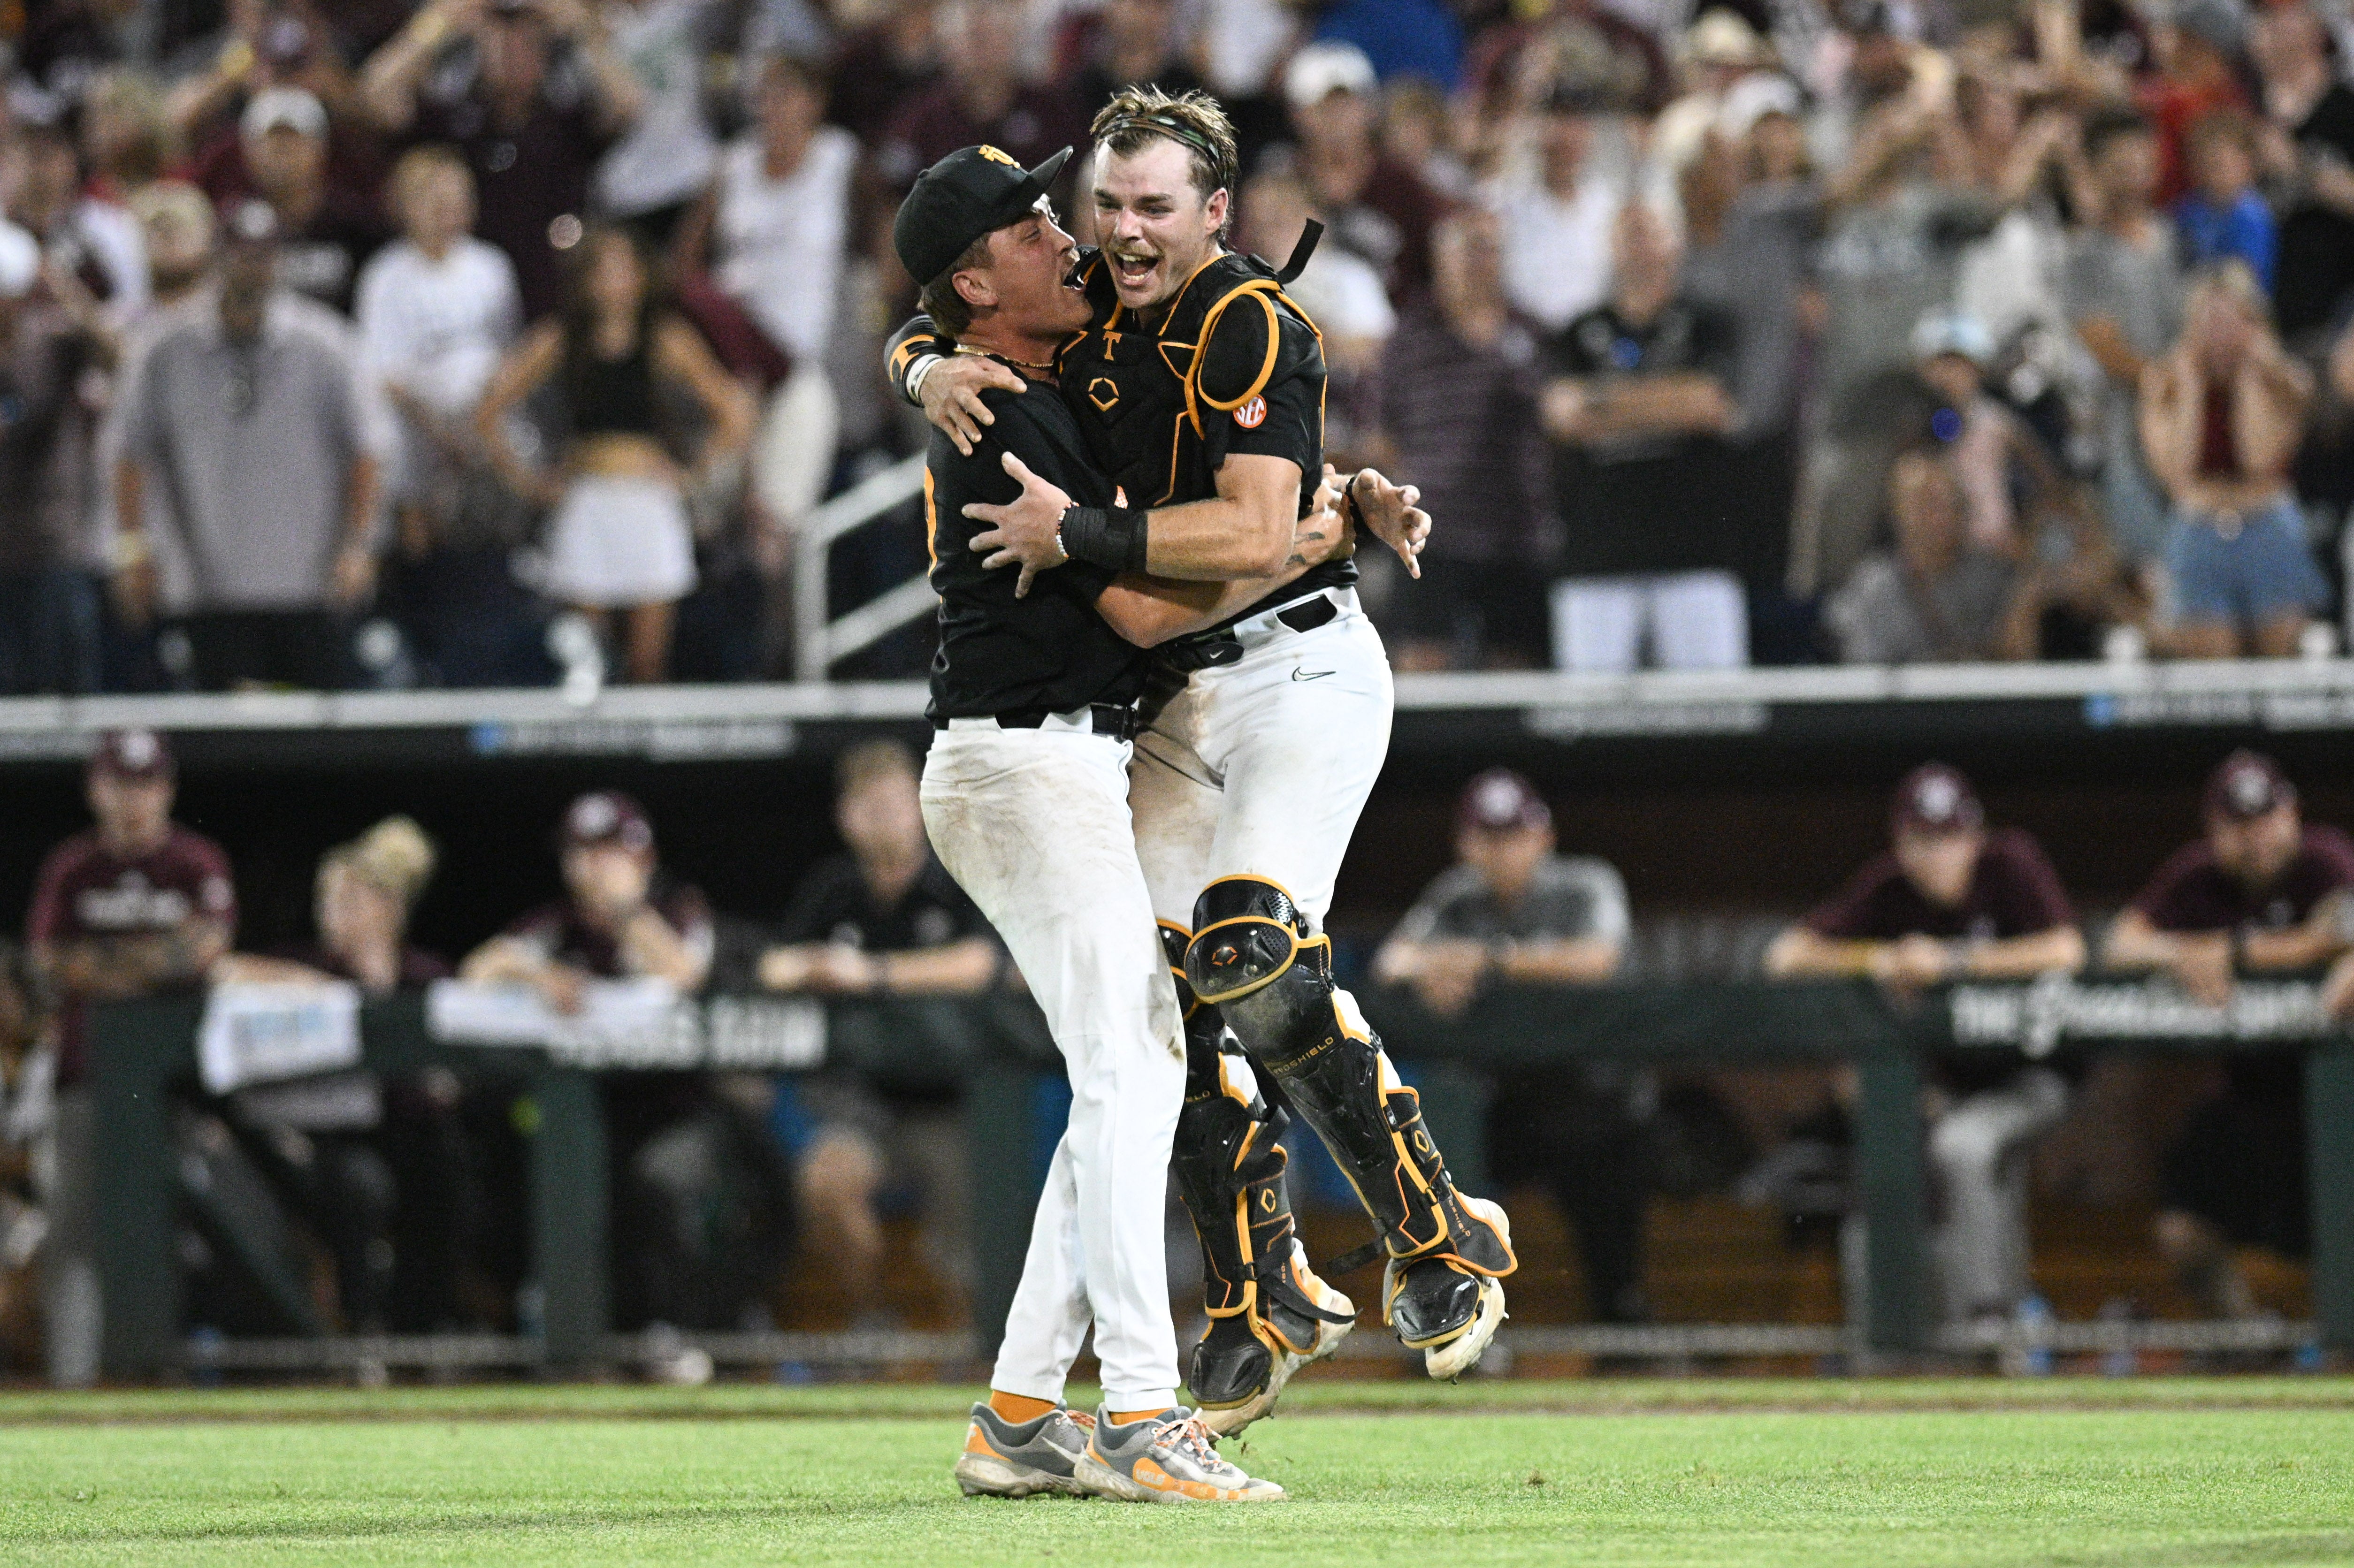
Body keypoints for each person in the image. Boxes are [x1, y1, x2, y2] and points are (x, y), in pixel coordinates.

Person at [895, 88, 1508, 1432]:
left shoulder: (1252, 316)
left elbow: (1238, 535)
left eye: (1152, 207)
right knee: (1163, 1004)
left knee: (1248, 942)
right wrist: (917, 360)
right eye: (1104, 205)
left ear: (1217, 212)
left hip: (1297, 667)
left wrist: (1105, 533)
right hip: (1162, 692)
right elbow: (963, 299)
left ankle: (1434, 1230)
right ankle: (1258, 1292)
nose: (1116, 231)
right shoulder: (1076, 311)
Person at [890, 143, 1295, 1502]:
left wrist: (912, 357)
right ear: (975, 281)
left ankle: (1017, 1411)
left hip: (1051, 761)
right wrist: (1303, 545)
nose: (1064, 232)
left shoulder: (1018, 367)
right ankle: (1137, 1408)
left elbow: (924, 333)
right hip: (1022, 763)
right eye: (1027, 224)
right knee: (1129, 1067)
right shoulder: (999, 403)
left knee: (1129, 1069)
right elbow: (1131, 610)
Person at [1764, 763, 2086, 1326]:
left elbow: (2066, 950)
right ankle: (1899, 1335)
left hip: (2033, 1072)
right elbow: (1785, 956)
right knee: (1901, 1153)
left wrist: (1954, 961)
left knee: (1963, 1147)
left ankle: (1989, 1321)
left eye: (1951, 838)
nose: (1938, 854)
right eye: (1923, 841)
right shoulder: (1889, 887)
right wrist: (1880, 958)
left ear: (1975, 837)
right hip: (1948, 1083)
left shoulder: (2010, 863)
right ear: (1901, 844)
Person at [1374, 770, 1646, 1321]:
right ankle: (1452, 1323)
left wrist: (1489, 959)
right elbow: (1391, 961)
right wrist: (1434, 967)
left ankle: (1622, 1324)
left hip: (1592, 1095)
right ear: (1466, 844)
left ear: (1542, 836)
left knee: (1607, 1175)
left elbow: (1601, 960)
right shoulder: (1456, 895)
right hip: (1498, 1100)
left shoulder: (1584, 882)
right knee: (1432, 1156)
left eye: (1514, 835)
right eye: (1488, 837)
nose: (1502, 852)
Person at [758, 741, 1000, 1324]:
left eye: (895, 803)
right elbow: (773, 965)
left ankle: (965, 1353)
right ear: (846, 817)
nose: (884, 817)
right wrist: (812, 967)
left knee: (970, 1243)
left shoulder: (954, 876)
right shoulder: (835, 889)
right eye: (868, 806)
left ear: (920, 808)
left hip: (952, 1104)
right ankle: (874, 1327)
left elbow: (982, 961)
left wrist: (874, 974)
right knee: (825, 1182)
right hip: (860, 1102)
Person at [2105, 751, 2351, 1319]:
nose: (2255, 838)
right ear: (2215, 831)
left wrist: (2230, 951)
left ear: (2291, 812)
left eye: (2265, 819)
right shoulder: (2199, 875)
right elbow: (2120, 945)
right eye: (2237, 826)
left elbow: (2339, 927)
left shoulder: (2324, 858)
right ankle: (2248, 1343)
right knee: (2181, 1228)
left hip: (2335, 1096)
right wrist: (2181, 953)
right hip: (2250, 1096)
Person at [27, 730, 236, 1385]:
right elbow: (49, 966)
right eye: (121, 783)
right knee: (73, 1230)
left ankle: (177, 1371)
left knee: (197, 1226)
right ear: (96, 788)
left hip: (186, 1080)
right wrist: (157, 962)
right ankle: (74, 1380)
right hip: (86, 1078)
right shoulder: (73, 867)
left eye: (146, 784)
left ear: (167, 789)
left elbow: (204, 951)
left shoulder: (195, 860)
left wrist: (105, 963)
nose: (134, 799)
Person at [113, 201, 388, 692]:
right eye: (241, 254)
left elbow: (368, 450)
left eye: (263, 255)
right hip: (205, 585)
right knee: (220, 745)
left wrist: (358, 545)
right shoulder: (162, 348)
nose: (252, 268)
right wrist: (134, 549)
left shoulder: (326, 343)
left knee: (312, 741)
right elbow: (129, 452)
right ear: (218, 257)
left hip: (309, 581)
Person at [474, 225, 756, 684]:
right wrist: (528, 482)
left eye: (624, 269)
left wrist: (693, 474)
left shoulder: (666, 339)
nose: (615, 282)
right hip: (587, 499)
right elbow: (488, 410)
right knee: (589, 656)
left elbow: (733, 410)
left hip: (648, 503)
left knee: (648, 660)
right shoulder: (561, 339)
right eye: (604, 270)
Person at [212, 818, 458, 1333]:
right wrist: (311, 984)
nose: (334, 914)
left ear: (390, 909)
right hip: (317, 1140)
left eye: (352, 901)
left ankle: (426, 1331)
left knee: (443, 1171)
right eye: (329, 900)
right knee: (356, 1185)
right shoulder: (307, 963)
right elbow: (225, 970)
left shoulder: (423, 974)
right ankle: (357, 1329)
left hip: (410, 1137)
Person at [1543, 200, 1744, 673]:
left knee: (1715, 720)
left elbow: (1710, 405)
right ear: (1609, 247)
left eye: (1649, 232)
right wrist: (1668, 402)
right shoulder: (1578, 331)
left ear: (1674, 244)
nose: (1639, 246)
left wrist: (1605, 404)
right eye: (1627, 233)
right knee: (1587, 726)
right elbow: (1563, 416)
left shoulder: (1710, 323)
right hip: (1598, 555)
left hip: (1697, 553)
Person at [362, 0, 646, 321]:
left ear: (545, 55)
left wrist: (583, 32)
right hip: (466, 301)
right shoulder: (455, 120)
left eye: (526, 44)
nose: (511, 53)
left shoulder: (565, 123)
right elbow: (376, 94)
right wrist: (438, 24)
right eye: (499, 43)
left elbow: (629, 105)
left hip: (553, 297)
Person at [1372, 210, 1552, 669]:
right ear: (1440, 259)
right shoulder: (1409, 338)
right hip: (1433, 534)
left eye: (1488, 248)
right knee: (1421, 662)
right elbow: (1380, 432)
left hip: (1518, 533)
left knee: (1517, 670)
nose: (1478, 261)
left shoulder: (1534, 333)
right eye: (1466, 248)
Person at [2138, 261, 2321, 659]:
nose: (2219, 334)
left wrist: (2250, 379)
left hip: (2268, 524)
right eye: (2209, 322)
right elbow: (2177, 473)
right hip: (2199, 527)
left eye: (2231, 321)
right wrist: (2191, 388)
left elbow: (2257, 459)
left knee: (2280, 664)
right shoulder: (2165, 380)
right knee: (2213, 672)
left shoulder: (2285, 381)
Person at [0, 222, 106, 697]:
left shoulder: (54, 341)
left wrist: (65, 289)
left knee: (66, 698)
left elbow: (119, 356)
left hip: (51, 550)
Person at [1826, 446, 2026, 664]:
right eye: (1923, 506)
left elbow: (2016, 659)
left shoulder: (1991, 576)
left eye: (1944, 503)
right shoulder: (1873, 587)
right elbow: (1862, 669)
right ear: (1898, 514)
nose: (1937, 519)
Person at [234, 85, 387, 315]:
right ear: (249, 152)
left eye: (295, 140)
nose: (283, 151)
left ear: (320, 148)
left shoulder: (358, 226)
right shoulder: (234, 229)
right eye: (271, 141)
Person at [2174, 109, 2276, 291]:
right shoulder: (2188, 209)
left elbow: (2246, 276)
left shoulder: (2252, 215)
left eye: (2222, 164)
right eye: (2208, 163)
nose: (2214, 171)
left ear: (2248, 164)